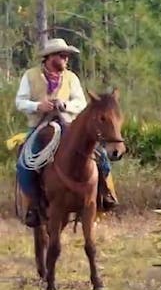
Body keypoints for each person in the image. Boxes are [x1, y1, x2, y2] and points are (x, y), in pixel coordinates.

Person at [14, 38, 118, 227]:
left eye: (67, 56)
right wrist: (39, 106)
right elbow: (20, 102)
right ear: (50, 57)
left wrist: (65, 105)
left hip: (68, 126)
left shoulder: (71, 78)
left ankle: (105, 195)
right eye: (62, 56)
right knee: (24, 164)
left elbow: (80, 103)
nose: (66, 59)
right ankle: (35, 205)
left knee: (101, 155)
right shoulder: (30, 76)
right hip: (40, 126)